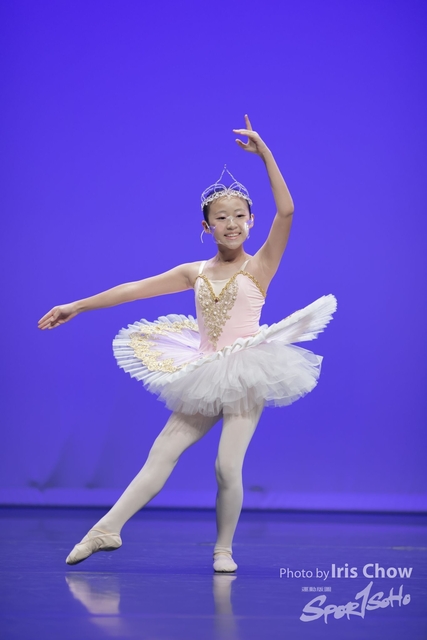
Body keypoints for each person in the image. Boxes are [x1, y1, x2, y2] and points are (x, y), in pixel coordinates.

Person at [38, 115, 337, 573]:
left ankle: (223, 549)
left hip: (247, 370)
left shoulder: (260, 266)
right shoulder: (193, 272)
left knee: (226, 466)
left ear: (252, 221)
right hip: (203, 370)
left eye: (240, 216)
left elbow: (288, 212)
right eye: (222, 218)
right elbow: (134, 289)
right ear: (206, 226)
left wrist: (265, 155)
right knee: (161, 453)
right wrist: (77, 305)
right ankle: (106, 529)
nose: (232, 224)